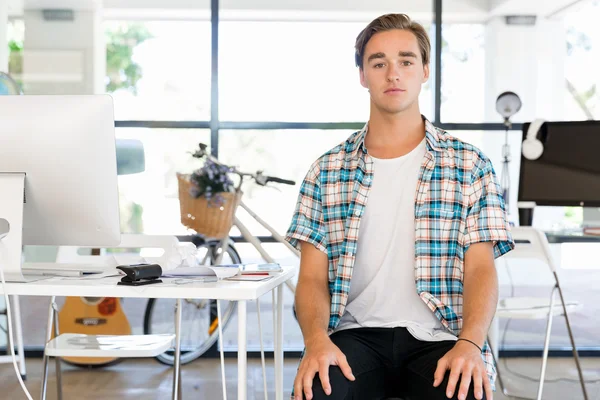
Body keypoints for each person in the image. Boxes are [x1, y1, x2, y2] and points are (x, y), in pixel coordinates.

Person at [285, 13, 514, 400]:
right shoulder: (325, 171)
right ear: (363, 75)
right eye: (379, 63)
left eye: (406, 61)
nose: (393, 74)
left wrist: (471, 344)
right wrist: (316, 342)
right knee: (316, 392)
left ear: (424, 70)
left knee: (467, 393)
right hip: (353, 335)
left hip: (442, 336)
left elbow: (480, 269)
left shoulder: (469, 165)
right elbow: (310, 279)